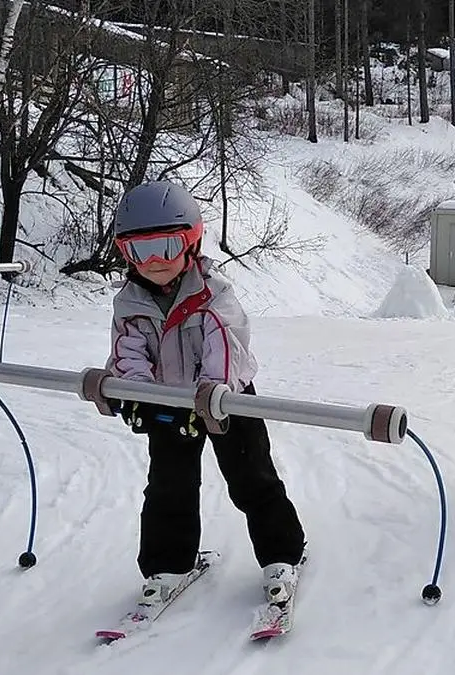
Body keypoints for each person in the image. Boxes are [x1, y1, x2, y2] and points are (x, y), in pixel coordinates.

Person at [105, 180, 307, 611]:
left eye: (167, 246)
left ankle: (281, 555)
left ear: (191, 243)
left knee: (252, 478)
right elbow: (128, 349)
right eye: (142, 250)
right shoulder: (130, 301)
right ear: (126, 254)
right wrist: (137, 393)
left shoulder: (213, 293)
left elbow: (226, 343)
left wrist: (214, 391)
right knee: (168, 486)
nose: (155, 261)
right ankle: (168, 564)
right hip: (170, 401)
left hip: (228, 398)